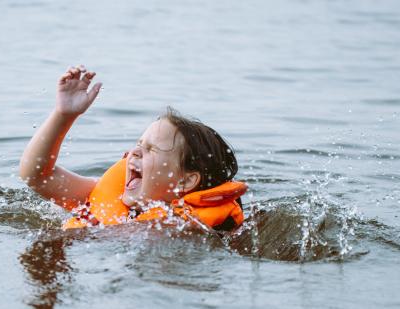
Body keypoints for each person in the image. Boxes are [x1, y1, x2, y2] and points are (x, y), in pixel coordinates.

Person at [19, 65, 247, 231]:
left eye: (152, 149)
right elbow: (37, 176)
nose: (134, 152)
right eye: (139, 145)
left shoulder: (190, 227)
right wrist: (64, 115)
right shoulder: (105, 197)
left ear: (185, 181)